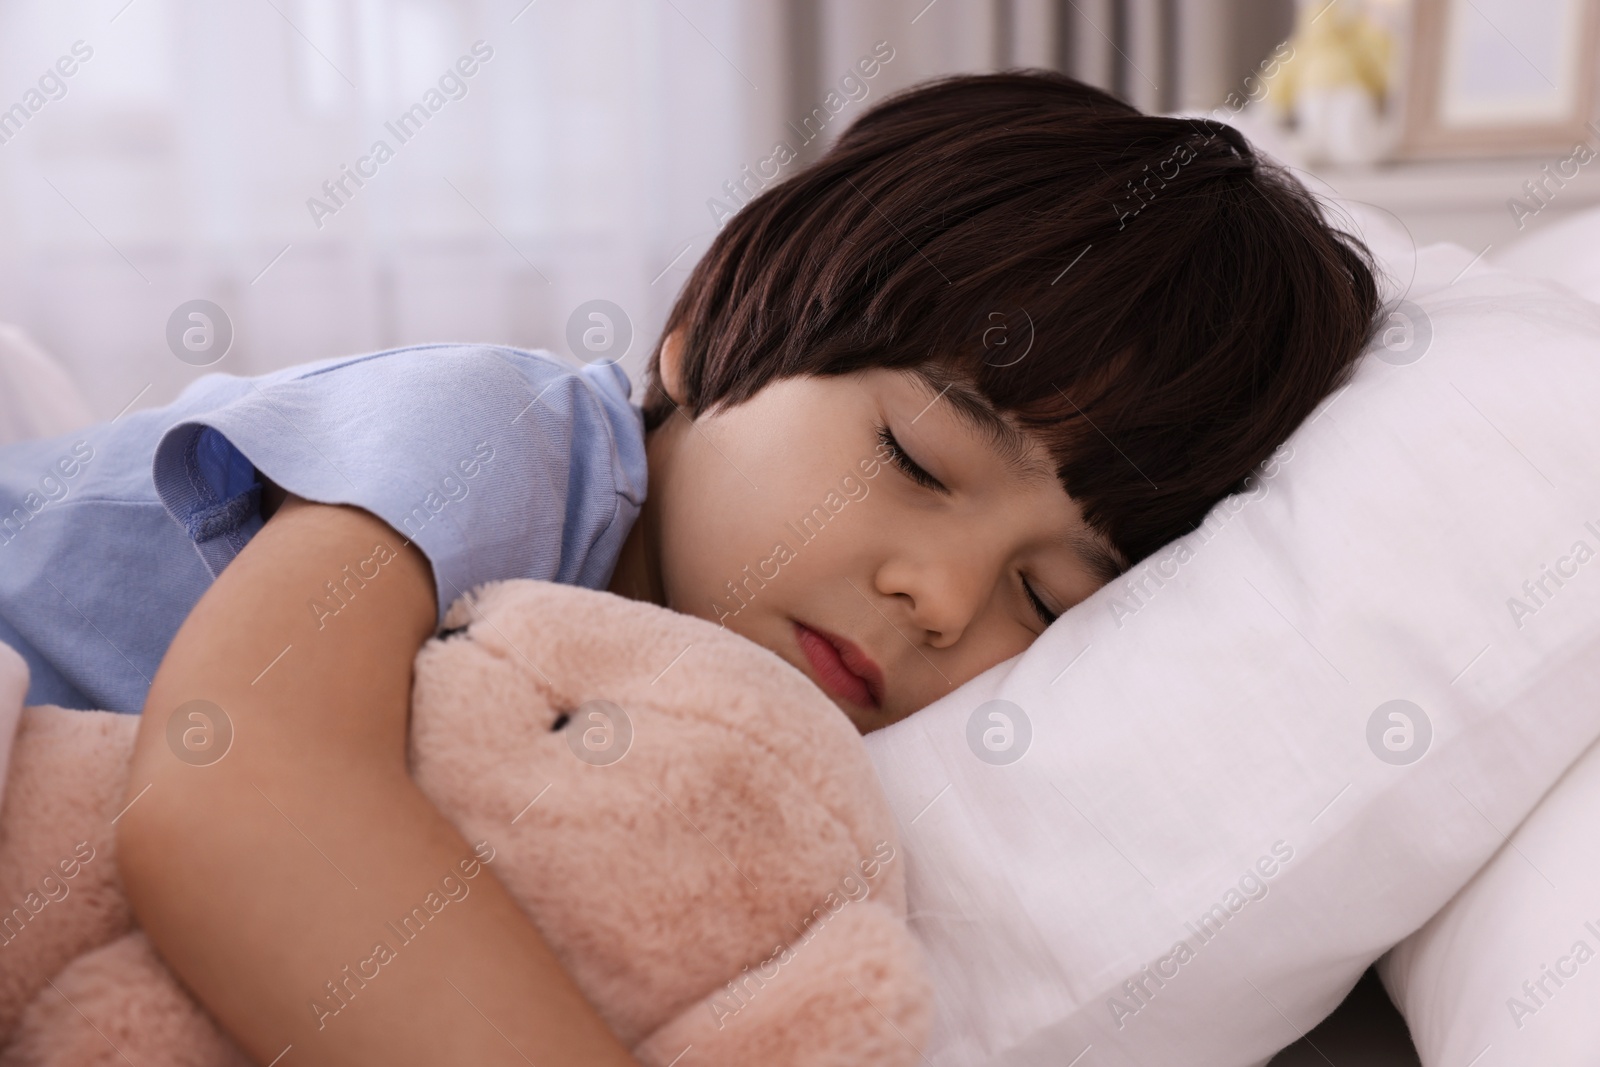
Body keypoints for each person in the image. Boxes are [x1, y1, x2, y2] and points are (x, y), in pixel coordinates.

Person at [0, 72, 1378, 1064]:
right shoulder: (499, 439)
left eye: (1047, 595)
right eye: (916, 458)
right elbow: (236, 795)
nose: (946, 600)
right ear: (706, 330)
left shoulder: (722, 722)